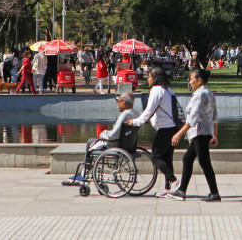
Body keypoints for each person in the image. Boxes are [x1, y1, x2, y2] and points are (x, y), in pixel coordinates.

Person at [168, 68, 220, 202]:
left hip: (200, 132)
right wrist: (214, 135)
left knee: (204, 162)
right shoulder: (207, 92)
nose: (189, 81)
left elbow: (192, 119)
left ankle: (214, 193)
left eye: (191, 79)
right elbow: (215, 116)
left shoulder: (201, 94)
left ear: (199, 80)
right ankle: (182, 191)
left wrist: (178, 134)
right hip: (203, 132)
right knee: (188, 159)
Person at [129, 67, 179, 197]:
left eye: (149, 76)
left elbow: (149, 110)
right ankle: (168, 189)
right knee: (167, 159)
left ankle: (174, 180)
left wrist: (135, 122)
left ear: (155, 78)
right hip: (172, 127)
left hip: (165, 129)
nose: (148, 79)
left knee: (155, 156)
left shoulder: (156, 90)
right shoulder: (168, 89)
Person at [69, 92, 140, 183]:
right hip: (128, 146)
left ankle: (84, 173)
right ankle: (85, 172)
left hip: (115, 145)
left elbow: (113, 135)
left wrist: (103, 133)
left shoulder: (124, 115)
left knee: (90, 141)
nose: (117, 103)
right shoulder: (136, 113)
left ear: (124, 103)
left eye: (118, 101)